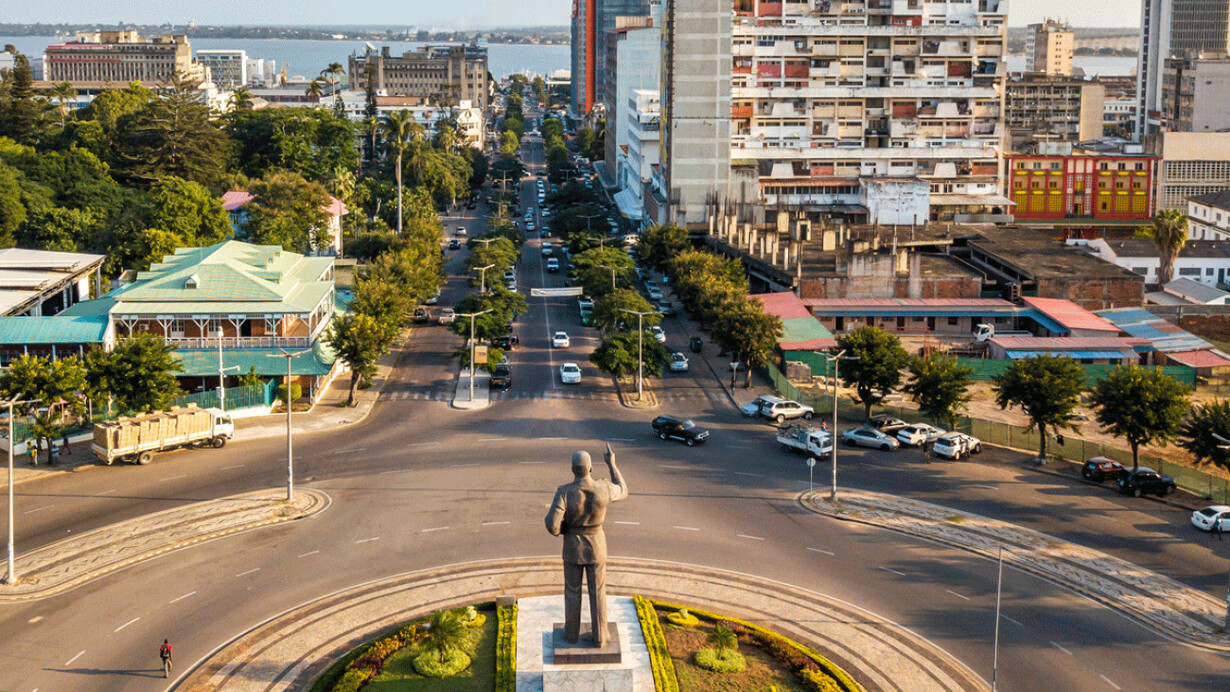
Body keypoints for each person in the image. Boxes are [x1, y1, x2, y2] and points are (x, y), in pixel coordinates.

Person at [544, 444, 628, 646]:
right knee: (598, 592)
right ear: (590, 468)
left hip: (573, 548)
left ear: (572, 469)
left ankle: (571, 635)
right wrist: (612, 465)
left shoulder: (565, 493)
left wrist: (564, 529)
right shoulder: (604, 487)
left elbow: (552, 526)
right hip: (597, 546)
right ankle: (600, 637)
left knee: (572, 592)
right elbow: (623, 490)